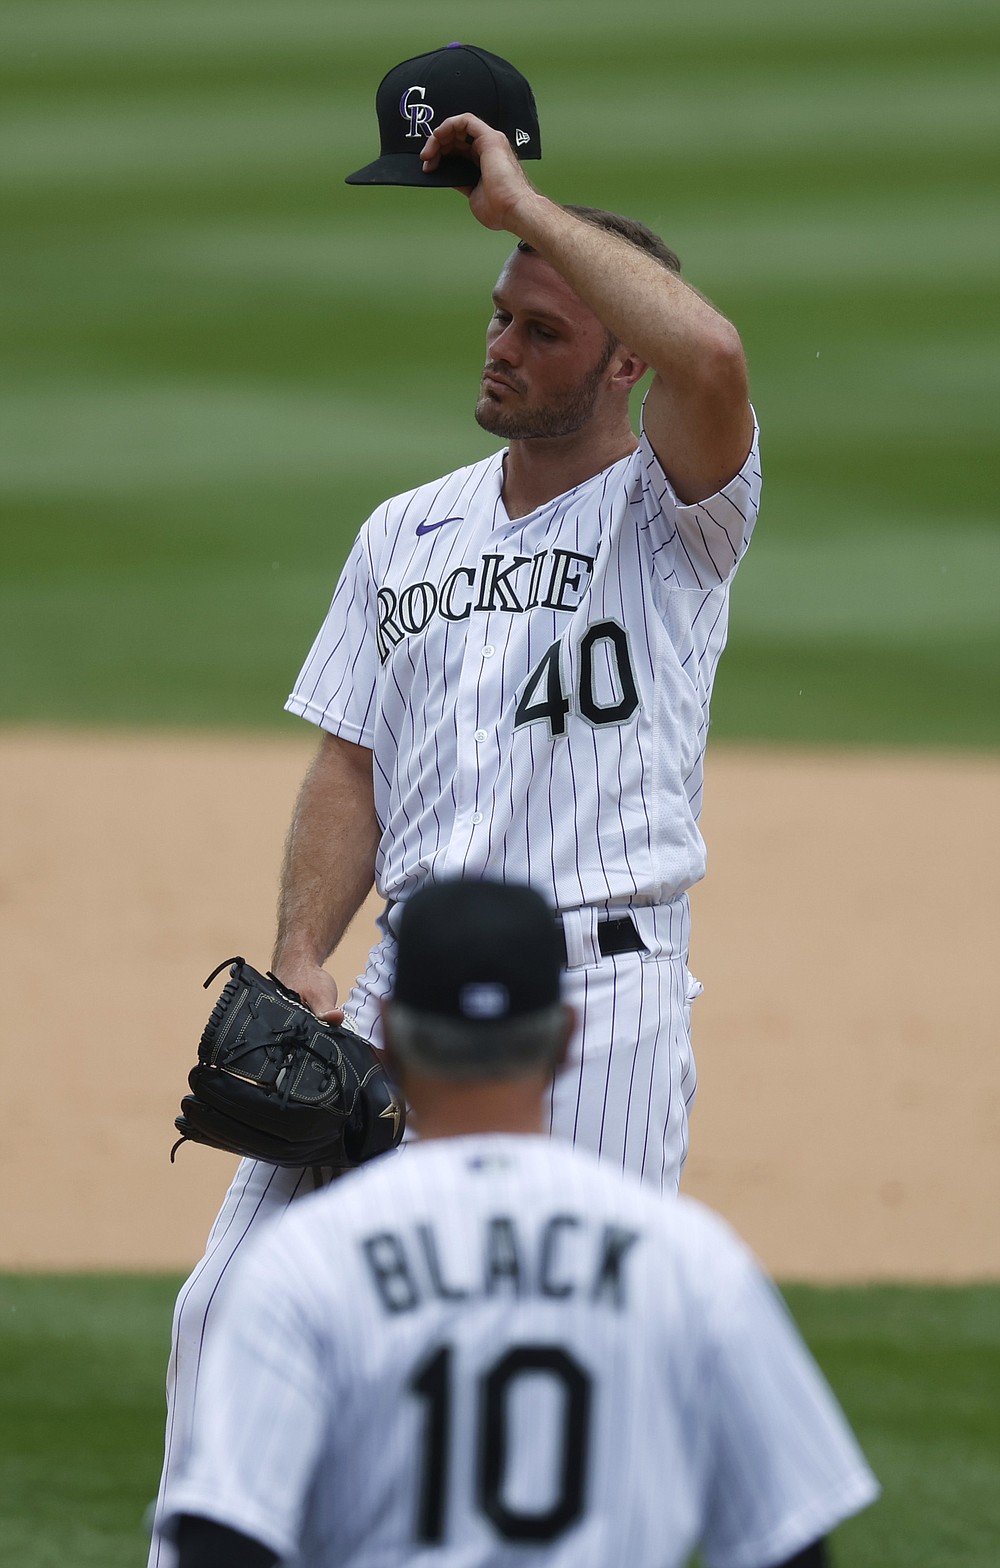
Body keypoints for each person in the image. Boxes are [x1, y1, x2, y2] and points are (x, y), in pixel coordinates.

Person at [148, 46, 762, 1562]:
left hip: (589, 1012)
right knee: (226, 1311)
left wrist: (524, 210)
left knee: (546, 1373)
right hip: (398, 1000)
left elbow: (720, 362)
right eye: (496, 315)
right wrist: (301, 953)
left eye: (541, 326)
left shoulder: (675, 512)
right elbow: (348, 761)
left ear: (617, 354)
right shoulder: (403, 532)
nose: (499, 341)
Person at [154, 880, 878, 1568]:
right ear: (565, 1038)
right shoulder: (691, 1263)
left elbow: (223, 1542)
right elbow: (790, 1546)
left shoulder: (304, 1264)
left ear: (394, 1040)